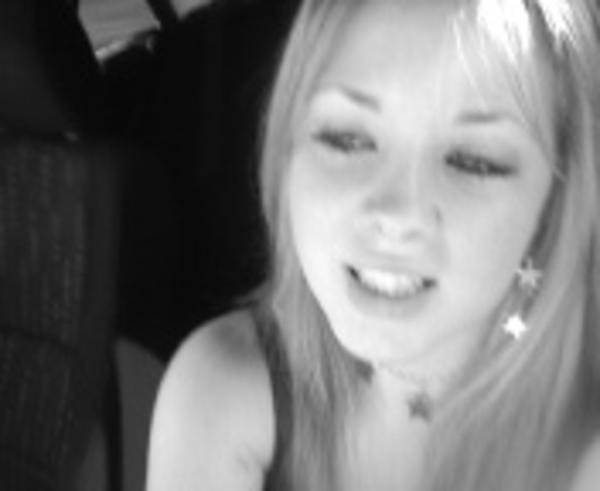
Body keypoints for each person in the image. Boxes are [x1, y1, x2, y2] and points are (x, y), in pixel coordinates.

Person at [146, 0, 600, 490]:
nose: (395, 216)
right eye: (346, 139)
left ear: (553, 207)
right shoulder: (223, 387)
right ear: (286, 154)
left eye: (475, 161)